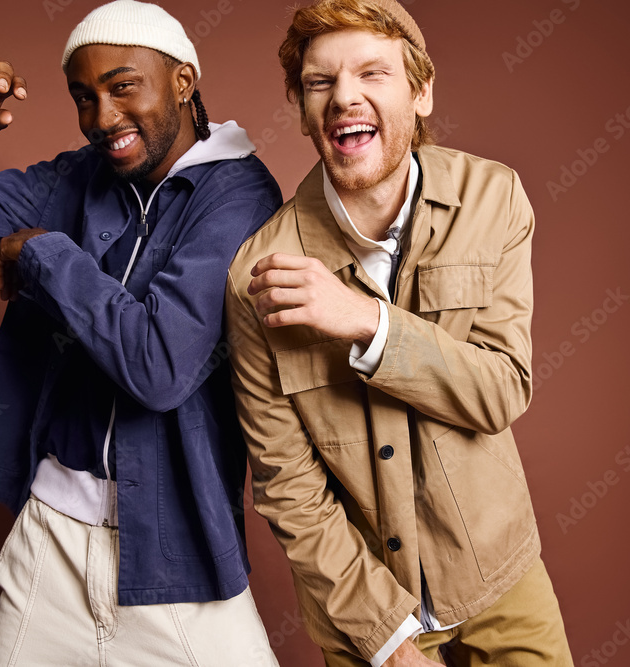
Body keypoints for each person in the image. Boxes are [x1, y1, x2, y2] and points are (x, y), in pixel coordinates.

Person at [0, 1, 282, 664]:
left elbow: (157, 365)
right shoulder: (77, 177)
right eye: (83, 96)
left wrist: (41, 252)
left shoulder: (239, 197)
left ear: (184, 81)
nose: (101, 117)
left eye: (123, 87)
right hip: (51, 540)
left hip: (174, 555)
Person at [225, 1, 573, 665]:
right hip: (365, 612)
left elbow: (500, 389)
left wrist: (367, 321)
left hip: (501, 579)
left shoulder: (493, 198)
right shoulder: (255, 277)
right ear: (300, 107)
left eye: (372, 74)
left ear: (421, 89)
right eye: (320, 83)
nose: (344, 98)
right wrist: (389, 643)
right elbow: (287, 488)